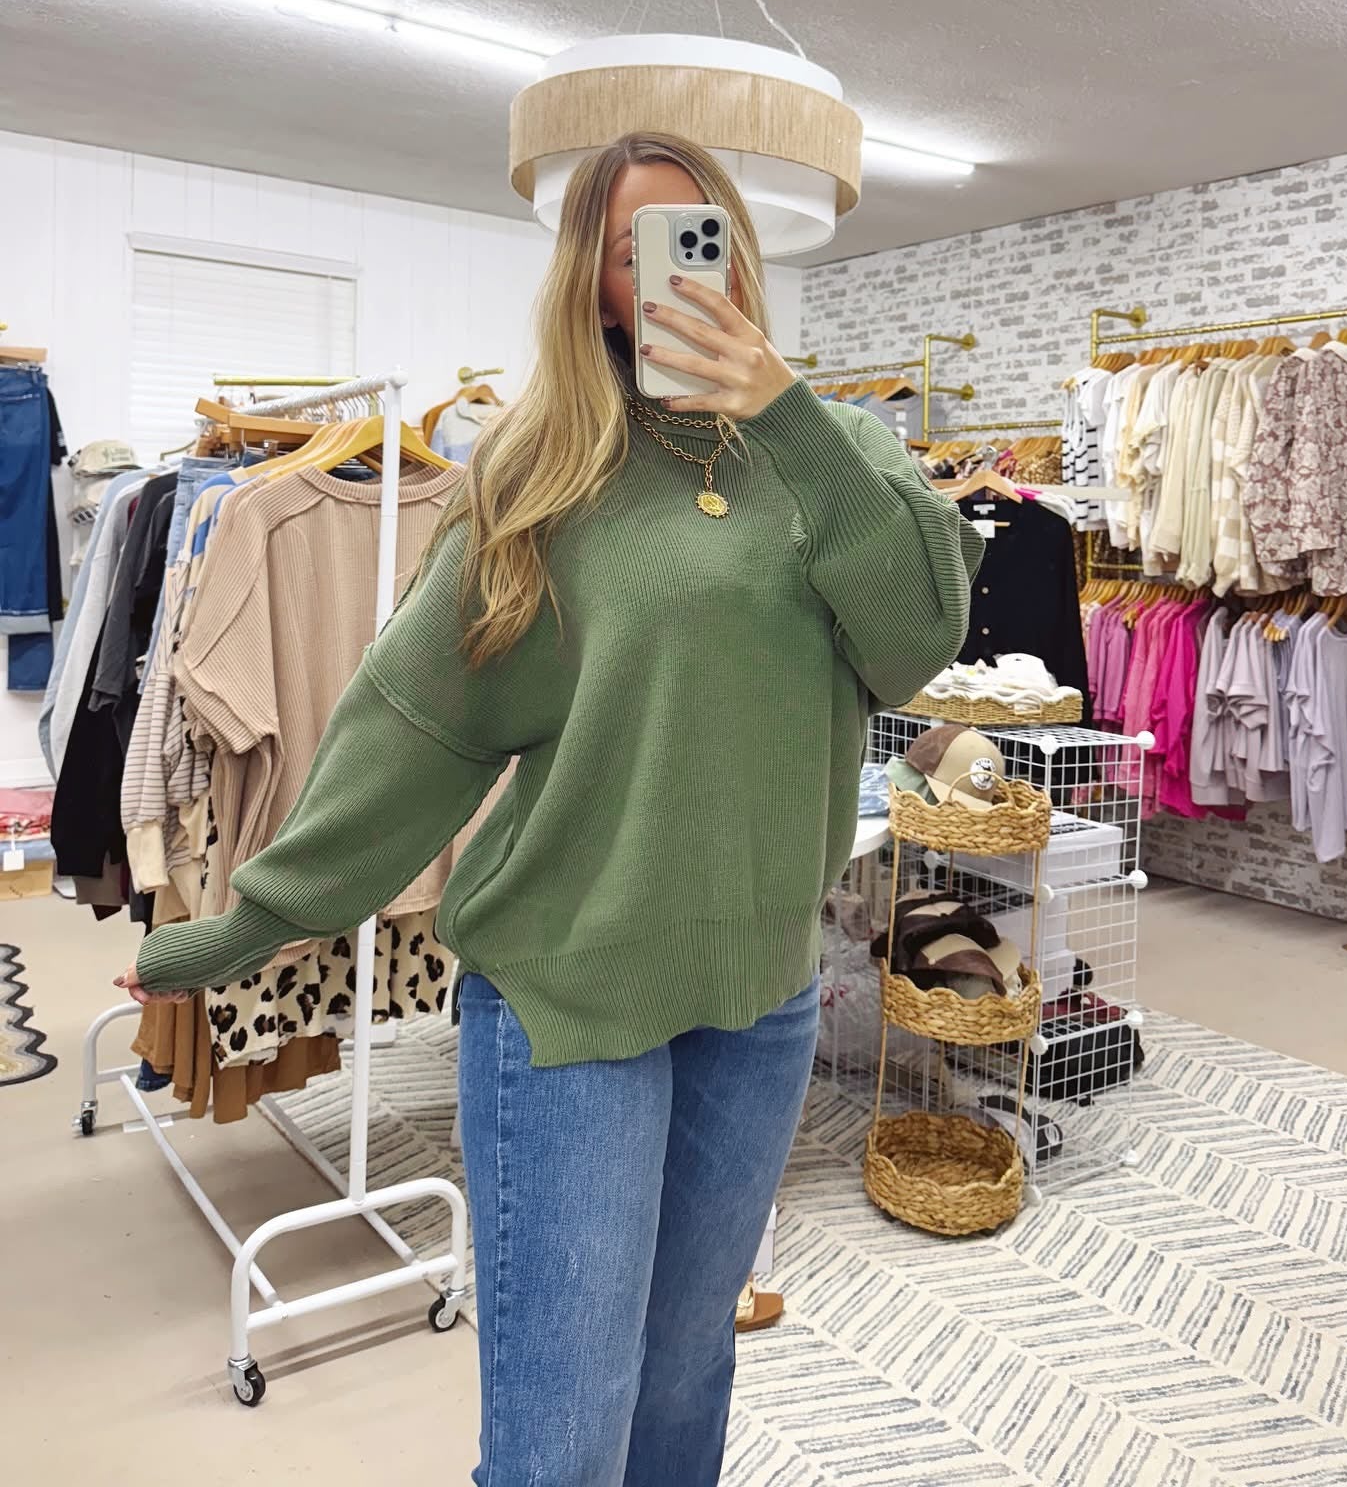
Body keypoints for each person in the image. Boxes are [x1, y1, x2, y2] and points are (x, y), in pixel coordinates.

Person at [119, 129, 980, 1486]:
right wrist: (259, 917)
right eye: (636, 249)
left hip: (761, 992)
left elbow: (916, 637)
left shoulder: (840, 452)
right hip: (568, 993)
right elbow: (417, 720)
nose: (675, 272)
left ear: (739, 252)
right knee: (564, 1436)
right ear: (596, 283)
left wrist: (787, 415)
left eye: (698, 236)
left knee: (688, 1373)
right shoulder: (545, 476)